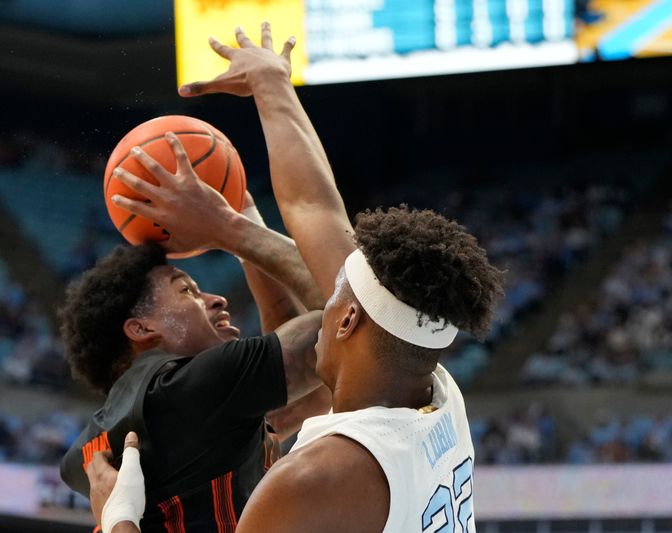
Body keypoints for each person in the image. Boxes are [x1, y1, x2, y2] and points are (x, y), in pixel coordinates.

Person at [92, 23, 506, 532]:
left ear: (349, 319)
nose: (322, 298)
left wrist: (118, 519)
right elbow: (315, 209)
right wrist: (269, 86)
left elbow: (320, 223)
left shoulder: (313, 479)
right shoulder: (437, 393)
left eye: (331, 300)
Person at [59, 132, 331, 533]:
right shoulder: (191, 391)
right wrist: (232, 229)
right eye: (187, 290)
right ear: (141, 328)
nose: (217, 299)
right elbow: (348, 319)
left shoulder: (97, 441)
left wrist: (243, 218)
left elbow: (307, 396)